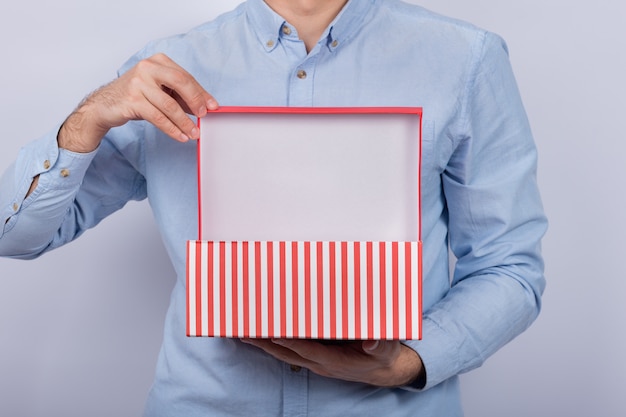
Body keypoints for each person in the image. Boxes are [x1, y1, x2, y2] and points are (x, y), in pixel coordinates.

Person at [0, 0, 547, 416]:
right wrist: (90, 117)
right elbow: (16, 236)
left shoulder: (464, 58)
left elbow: (509, 266)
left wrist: (408, 362)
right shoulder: (167, 68)